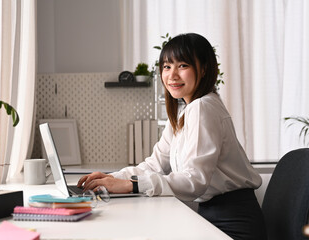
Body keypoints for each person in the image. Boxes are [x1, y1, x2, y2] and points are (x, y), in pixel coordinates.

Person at [77, 33, 267, 240]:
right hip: (214, 217)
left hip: (233, 225)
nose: (172, 75)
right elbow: (155, 164)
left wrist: (132, 185)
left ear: (203, 69)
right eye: (167, 67)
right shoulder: (184, 112)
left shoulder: (203, 108)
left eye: (183, 65)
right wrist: (113, 178)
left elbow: (195, 181)